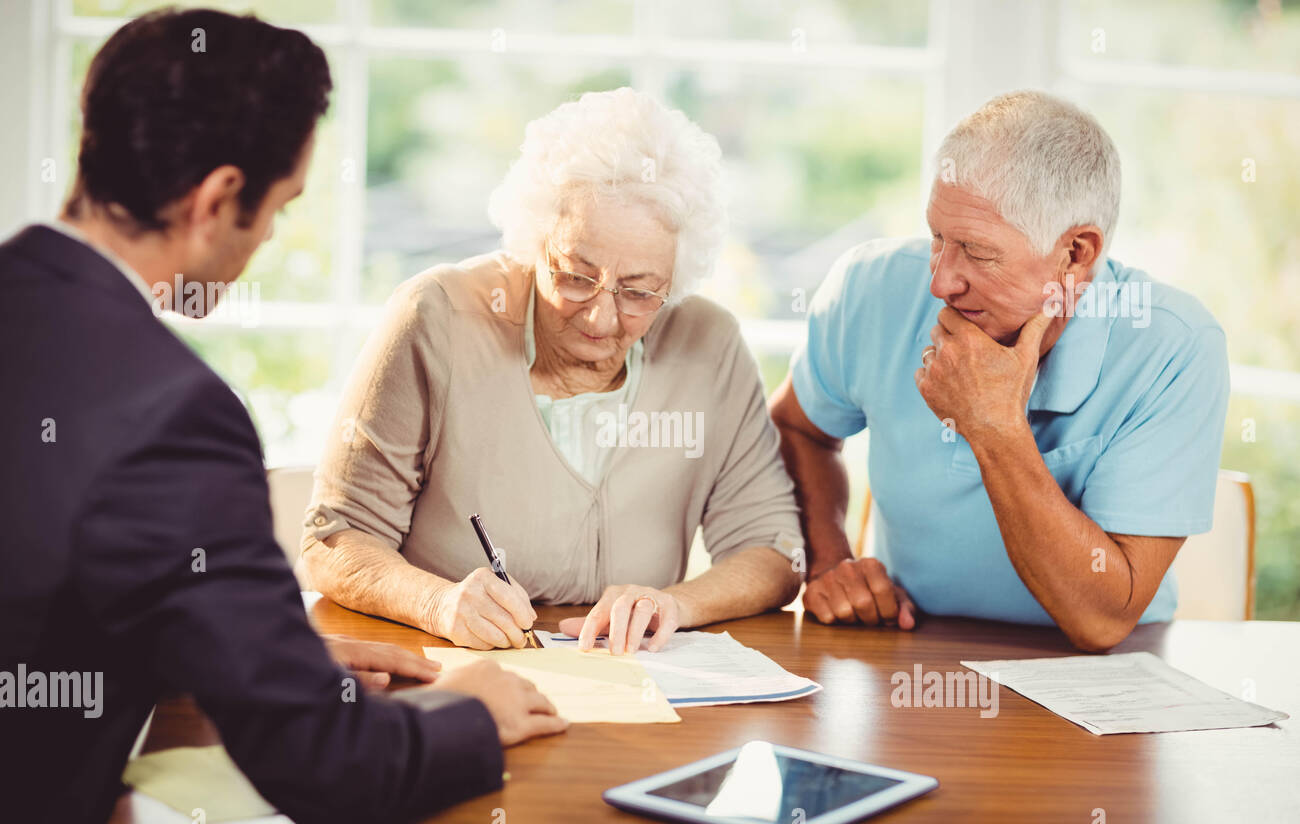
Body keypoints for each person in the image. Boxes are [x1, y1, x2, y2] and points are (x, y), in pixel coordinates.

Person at [0, 8, 564, 824]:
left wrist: (243, 650)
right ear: (220, 198)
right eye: (280, 208)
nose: (266, 239)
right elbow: (332, 775)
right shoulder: (171, 414)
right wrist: (471, 715)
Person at [301, 88, 804, 656]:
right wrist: (436, 603)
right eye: (575, 276)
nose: (600, 315)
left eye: (639, 292)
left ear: (674, 281)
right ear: (532, 241)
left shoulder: (708, 344)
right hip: (448, 677)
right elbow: (333, 539)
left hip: (629, 685)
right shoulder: (437, 318)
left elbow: (776, 550)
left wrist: (677, 604)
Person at [770, 90, 1229, 652]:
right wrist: (828, 561)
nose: (941, 281)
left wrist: (991, 425)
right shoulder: (871, 286)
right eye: (938, 238)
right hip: (911, 650)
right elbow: (798, 428)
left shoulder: (1175, 347)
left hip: (1103, 676)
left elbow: (1103, 621)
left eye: (977, 252)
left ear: (1076, 255)